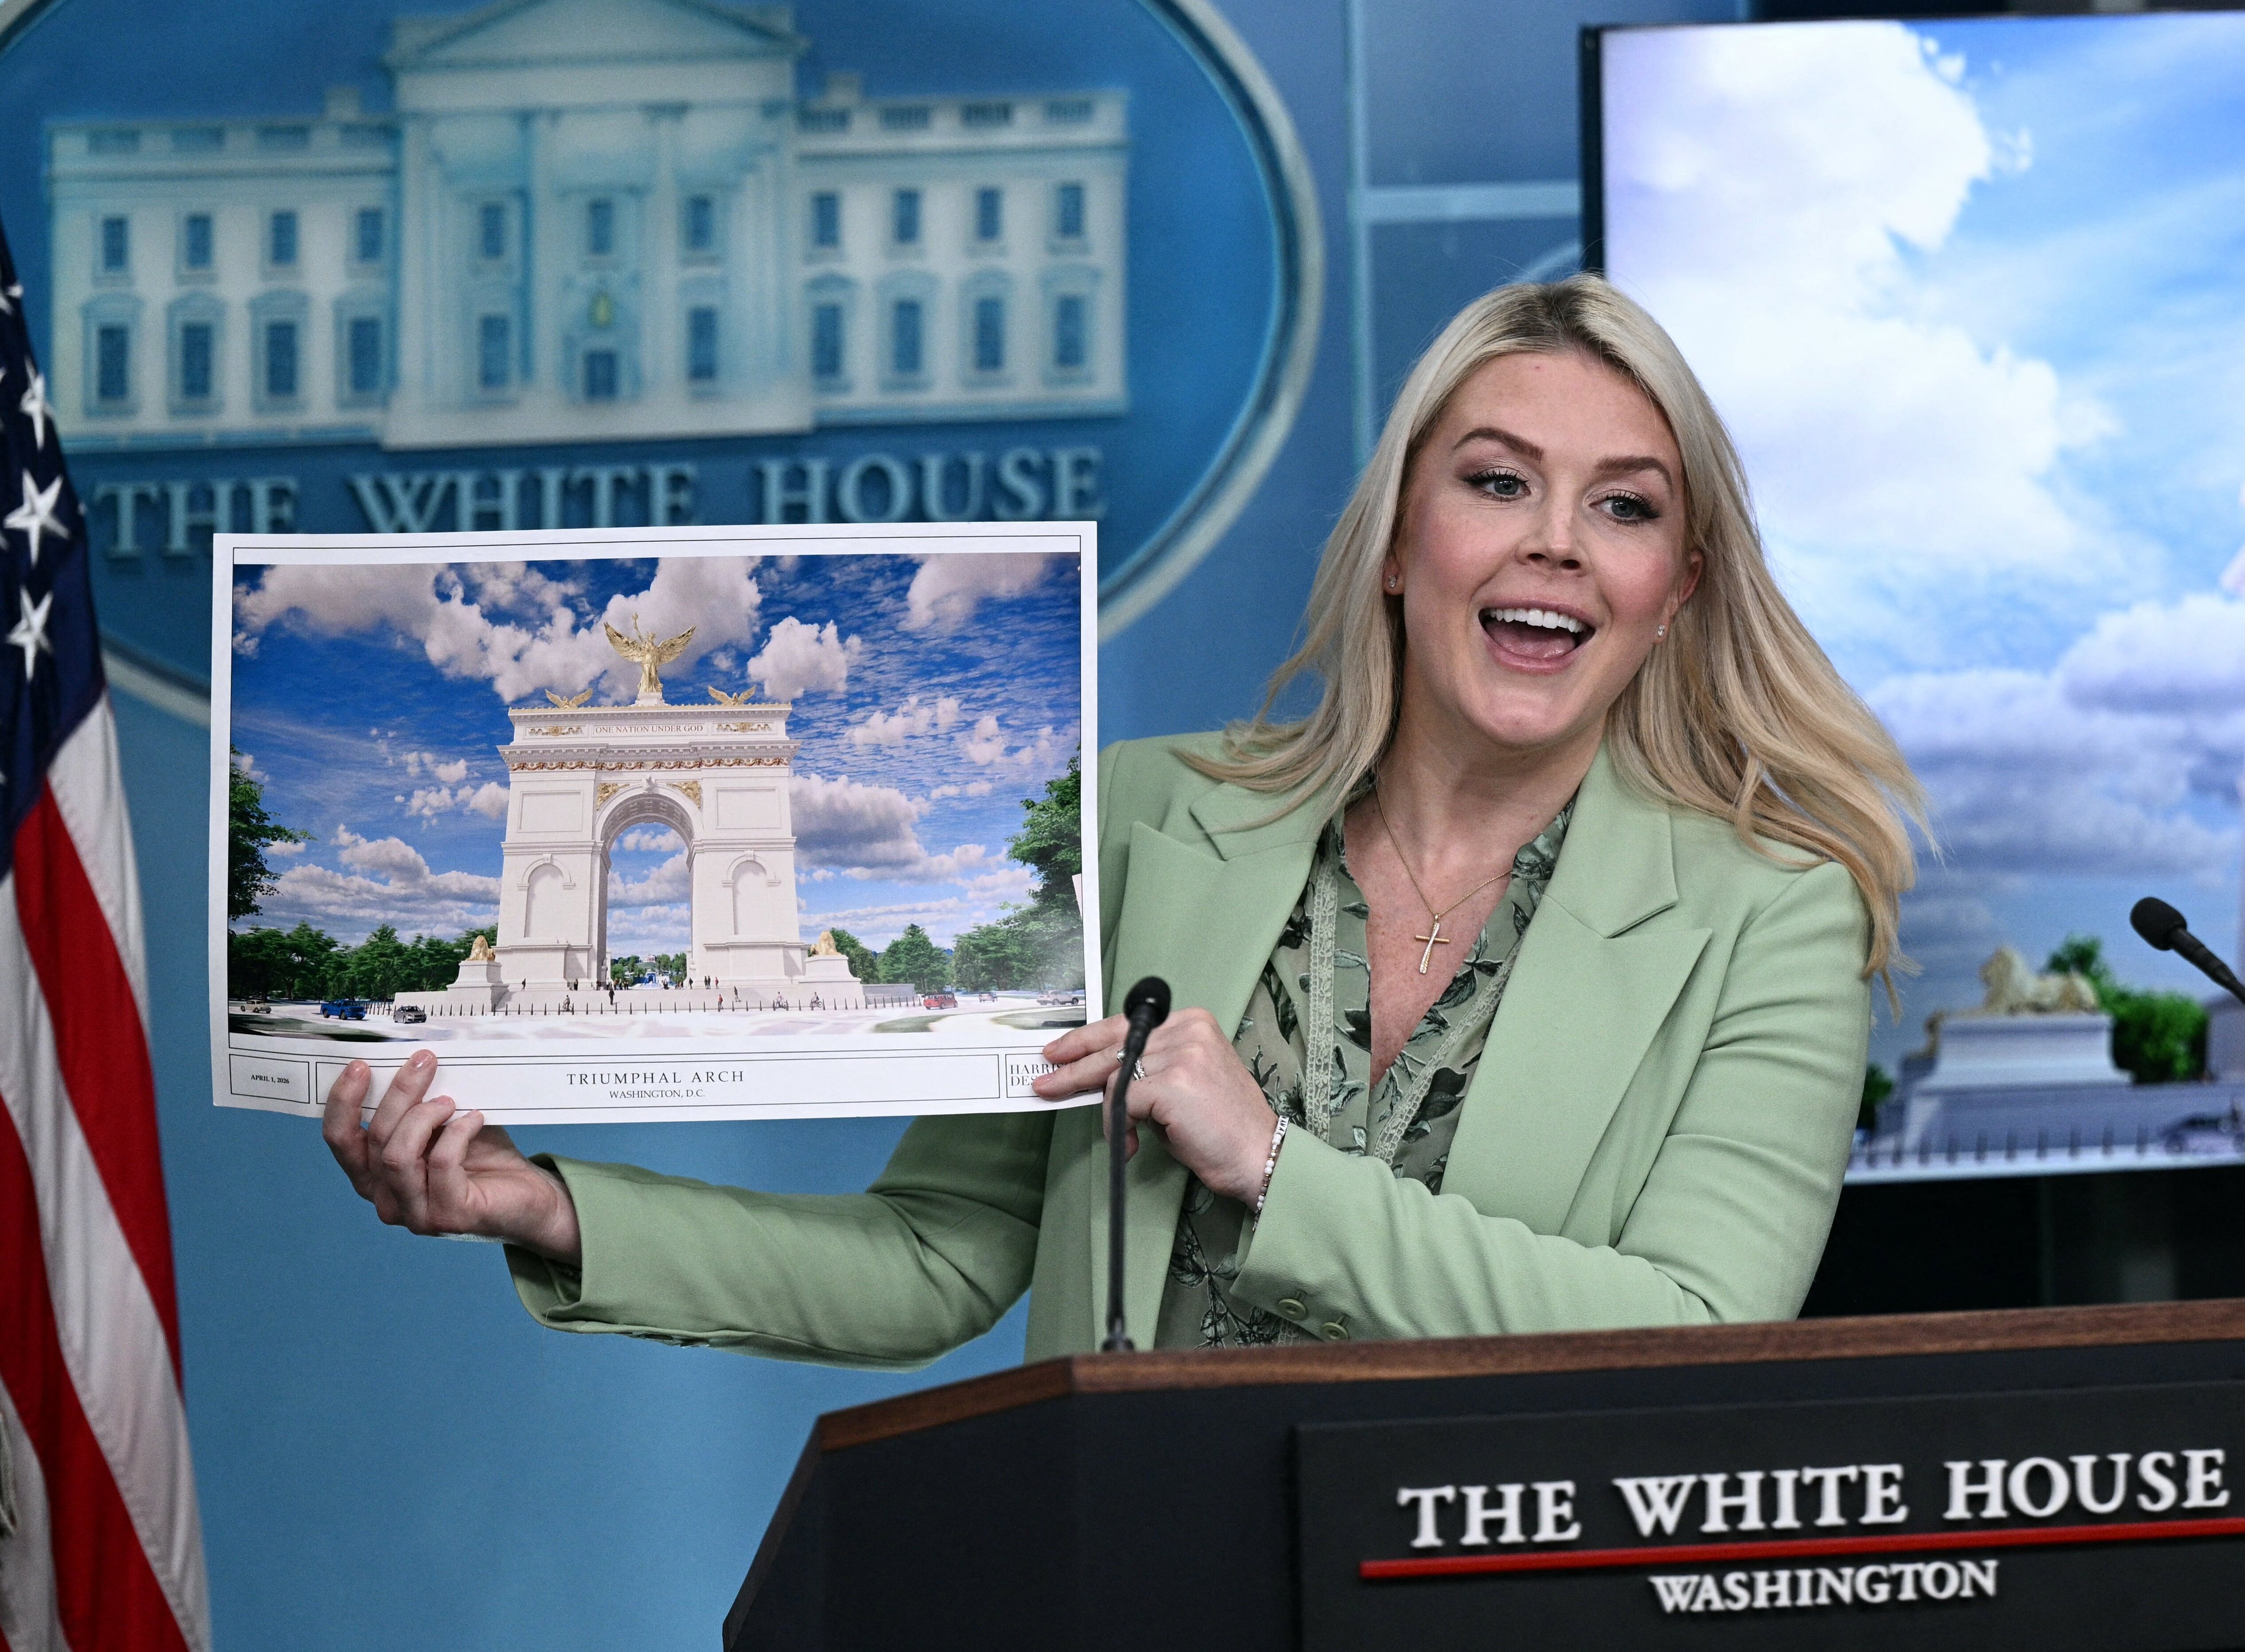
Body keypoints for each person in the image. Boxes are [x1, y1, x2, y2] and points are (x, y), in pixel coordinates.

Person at [322, 276, 1921, 1361]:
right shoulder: (1144, 820)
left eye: (1624, 505)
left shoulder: (1779, 911)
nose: (1556, 541)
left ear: (1676, 586)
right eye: (1498, 481)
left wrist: (1272, 1163)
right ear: (1397, 541)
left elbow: (1695, 1336)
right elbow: (938, 1256)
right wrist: (550, 1206)